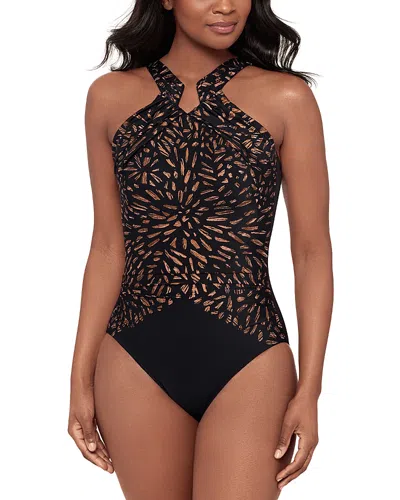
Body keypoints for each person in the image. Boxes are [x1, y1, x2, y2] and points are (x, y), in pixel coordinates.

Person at [68, 0, 333, 498]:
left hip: (250, 353)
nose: (226, 5)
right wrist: (79, 379)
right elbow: (106, 246)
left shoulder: (287, 98)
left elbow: (312, 252)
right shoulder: (109, 96)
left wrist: (311, 389)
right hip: (134, 357)